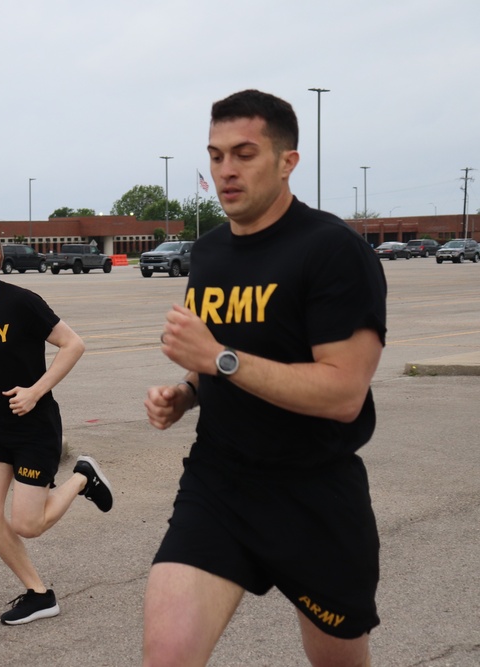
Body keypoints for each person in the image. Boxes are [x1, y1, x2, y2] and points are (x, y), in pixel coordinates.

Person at [142, 90, 387, 667]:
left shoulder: (333, 251)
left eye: (245, 154)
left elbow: (344, 394)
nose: (226, 170)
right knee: (166, 657)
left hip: (314, 496)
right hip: (219, 487)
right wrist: (187, 392)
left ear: (287, 160)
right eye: (216, 154)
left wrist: (218, 358)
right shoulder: (207, 255)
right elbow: (220, 364)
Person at [0, 223, 114, 625]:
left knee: (28, 525)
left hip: (35, 425)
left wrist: (36, 390)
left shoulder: (22, 302)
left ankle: (83, 477)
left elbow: (74, 344)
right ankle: (39, 593)